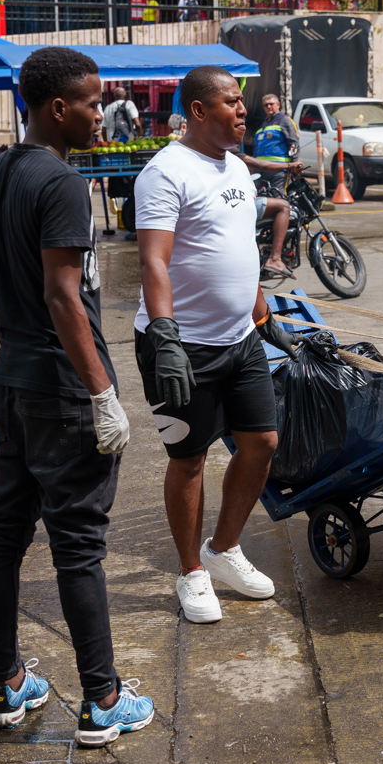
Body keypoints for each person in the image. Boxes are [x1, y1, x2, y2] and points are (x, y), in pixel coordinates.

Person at [0, 45, 152, 746]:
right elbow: (61, 294)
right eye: (90, 102)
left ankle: (9, 683)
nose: (100, 114)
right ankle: (103, 700)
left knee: (5, 534)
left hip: (10, 378)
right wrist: (103, 393)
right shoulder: (61, 184)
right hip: (57, 387)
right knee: (78, 542)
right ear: (58, 108)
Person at [134, 65, 299, 625]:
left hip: (239, 338)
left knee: (262, 443)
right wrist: (165, 337)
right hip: (183, 345)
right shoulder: (165, 172)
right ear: (199, 111)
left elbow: (236, 247)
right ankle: (190, 572)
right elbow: (153, 259)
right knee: (190, 459)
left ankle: (223, 549)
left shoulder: (234, 166)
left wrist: (261, 312)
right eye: (231, 102)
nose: (243, 110)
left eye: (243, 101)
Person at [242, 94, 304, 278]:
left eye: (271, 104)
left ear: (278, 104)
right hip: (262, 174)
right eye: (265, 105)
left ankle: (279, 251)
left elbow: (293, 143)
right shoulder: (264, 124)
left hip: (279, 172)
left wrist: (294, 165)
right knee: (269, 208)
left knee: (280, 204)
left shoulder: (285, 121)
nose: (268, 107)